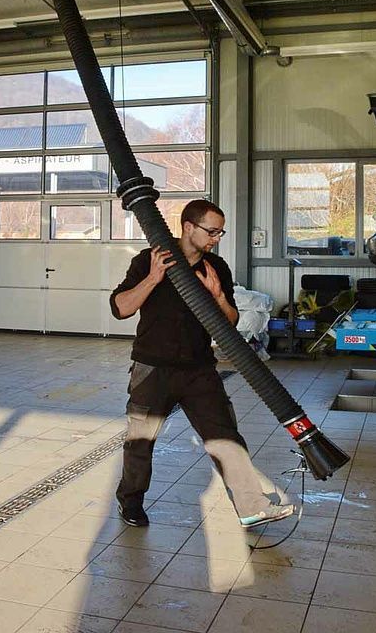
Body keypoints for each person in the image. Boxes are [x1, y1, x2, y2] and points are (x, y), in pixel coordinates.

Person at [110, 198, 294, 529]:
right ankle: (131, 501)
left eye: (220, 232)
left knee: (225, 436)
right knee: (140, 440)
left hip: (199, 369)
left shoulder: (216, 268)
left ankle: (251, 505)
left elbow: (231, 321)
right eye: (211, 231)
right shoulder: (148, 261)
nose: (216, 238)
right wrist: (153, 278)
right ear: (188, 227)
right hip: (152, 368)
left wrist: (218, 296)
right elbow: (121, 308)